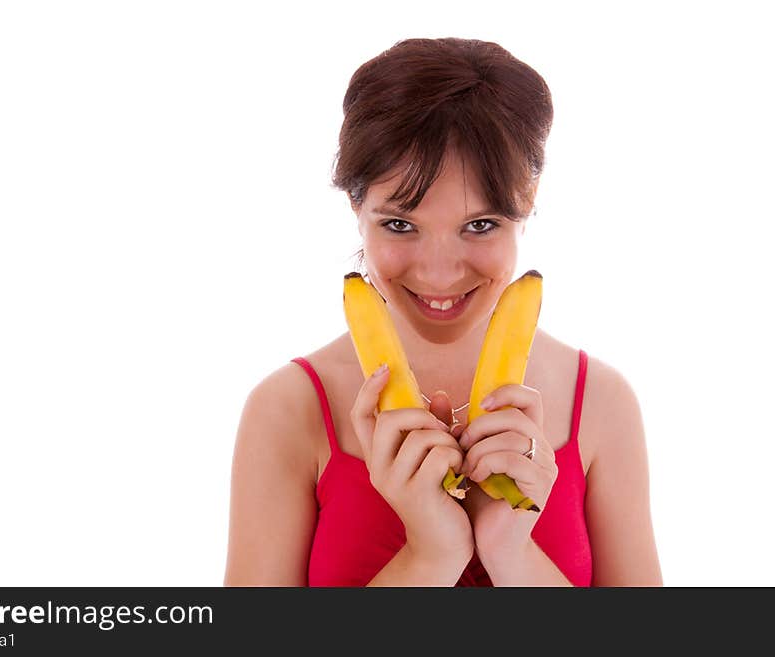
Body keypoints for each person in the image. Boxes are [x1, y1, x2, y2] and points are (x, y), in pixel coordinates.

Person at [223, 37, 662, 586]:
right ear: (356, 208)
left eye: (480, 225)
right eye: (400, 224)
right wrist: (429, 555)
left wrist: (511, 549)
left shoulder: (602, 402)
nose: (437, 274)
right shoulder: (287, 410)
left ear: (525, 210)